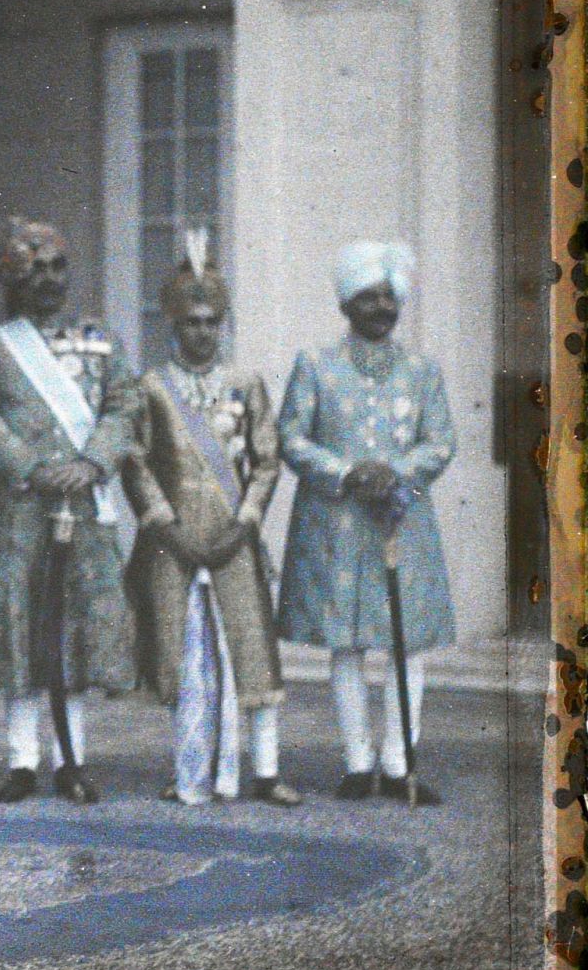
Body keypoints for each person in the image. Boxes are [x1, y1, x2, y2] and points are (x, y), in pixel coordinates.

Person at [123, 231, 297, 807]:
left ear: (223, 323)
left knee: (252, 649)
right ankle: (190, 769)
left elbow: (267, 461)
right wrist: (163, 526)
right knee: (183, 653)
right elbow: (137, 461)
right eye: (191, 321)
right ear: (173, 325)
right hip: (173, 539)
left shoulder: (246, 384)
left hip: (232, 538)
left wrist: (246, 525)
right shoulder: (151, 386)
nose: (202, 331)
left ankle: (267, 772)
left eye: (211, 320)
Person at [277, 241, 455, 804]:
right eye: (369, 297)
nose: (382, 307)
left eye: (389, 296)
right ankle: (357, 762)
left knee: (407, 646)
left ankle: (401, 761)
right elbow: (290, 438)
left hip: (401, 520)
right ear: (346, 304)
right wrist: (350, 472)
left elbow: (442, 441)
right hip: (336, 521)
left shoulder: (423, 371)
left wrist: (395, 473)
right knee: (346, 641)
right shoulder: (315, 365)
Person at [0, 216, 140, 806]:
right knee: (23, 621)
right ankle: (21, 760)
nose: (48, 279)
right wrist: (33, 468)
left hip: (84, 503)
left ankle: (73, 758)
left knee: (73, 625)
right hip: (19, 508)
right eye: (34, 268)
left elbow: (124, 407)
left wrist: (92, 463)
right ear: (12, 276)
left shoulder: (102, 340)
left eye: (57, 266)